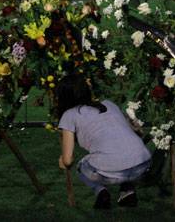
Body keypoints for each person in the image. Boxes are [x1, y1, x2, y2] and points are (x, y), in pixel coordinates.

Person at [57, 74, 151, 209]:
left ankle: (101, 192)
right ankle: (127, 192)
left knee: (81, 166)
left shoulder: (70, 115)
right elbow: (135, 132)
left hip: (113, 170)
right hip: (143, 164)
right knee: (124, 154)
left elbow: (68, 160)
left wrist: (62, 161)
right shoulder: (109, 104)